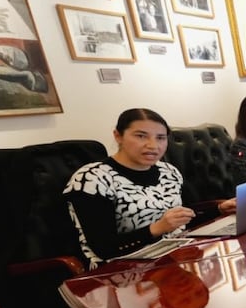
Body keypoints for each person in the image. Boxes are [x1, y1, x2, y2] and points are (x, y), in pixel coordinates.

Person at [64, 108, 232, 268]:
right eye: (141, 136)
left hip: (175, 255)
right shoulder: (92, 179)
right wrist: (157, 228)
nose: (153, 145)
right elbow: (104, 248)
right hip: (121, 269)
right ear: (118, 136)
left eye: (161, 138)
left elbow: (183, 218)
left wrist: (219, 209)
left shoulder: (168, 171)